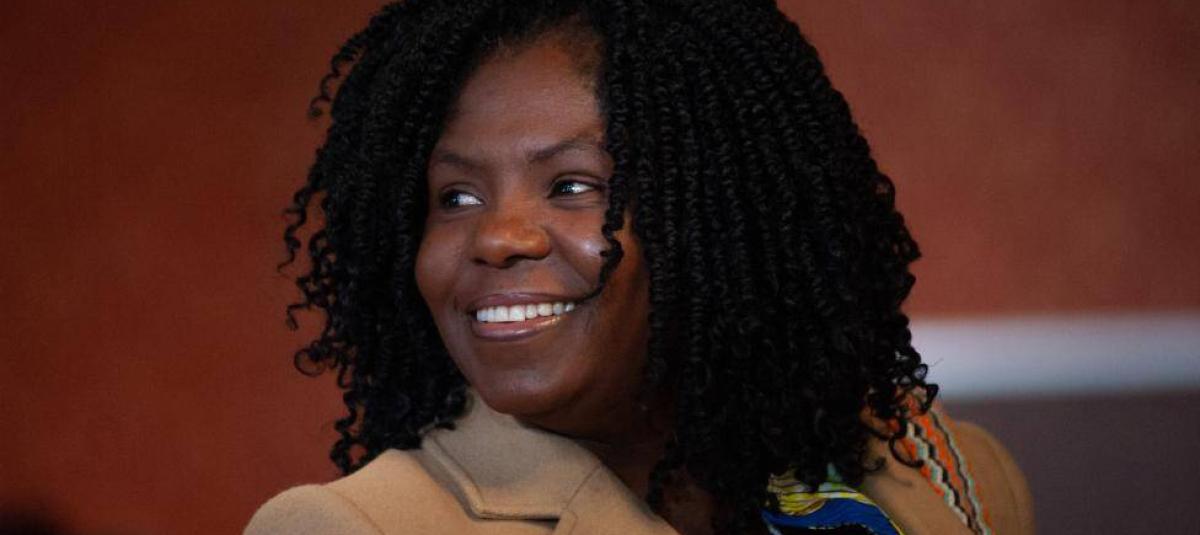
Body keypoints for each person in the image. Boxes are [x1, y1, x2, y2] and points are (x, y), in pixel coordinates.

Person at [247, 1, 1034, 533]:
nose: (498, 237)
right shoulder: (357, 527)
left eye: (572, 185)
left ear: (719, 214)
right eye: (455, 197)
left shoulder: (945, 479)